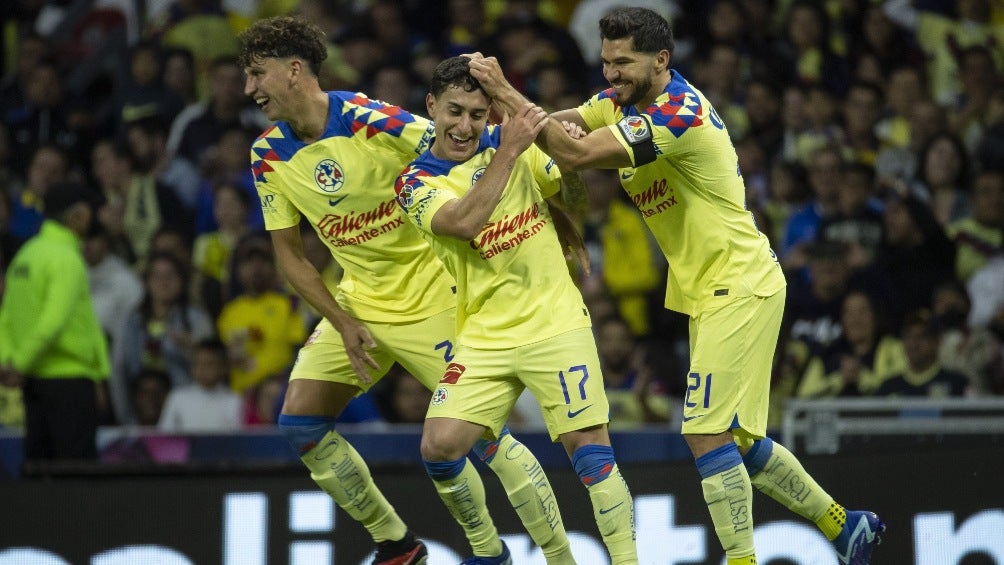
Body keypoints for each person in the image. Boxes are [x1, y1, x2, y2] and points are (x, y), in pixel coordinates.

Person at [468, 7, 885, 564]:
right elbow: (560, 122)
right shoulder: (621, 100)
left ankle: (742, 559)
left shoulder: (677, 114)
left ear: (661, 60)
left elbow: (575, 151)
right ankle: (844, 526)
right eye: (606, 62)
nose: (612, 73)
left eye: (624, 62)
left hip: (737, 284)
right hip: (716, 287)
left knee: (704, 434)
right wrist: (496, 125)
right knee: (738, 439)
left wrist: (506, 90)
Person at [238, 17, 573, 565]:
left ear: (293, 70)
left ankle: (512, 556)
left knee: (483, 440)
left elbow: (467, 142)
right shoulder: (267, 154)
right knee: (299, 422)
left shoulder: (365, 117)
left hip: (432, 295)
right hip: (359, 303)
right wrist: (343, 323)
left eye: (256, 73)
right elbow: (289, 257)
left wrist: (553, 182)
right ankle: (397, 545)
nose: (249, 88)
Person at [395, 56, 637, 565]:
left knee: (589, 450)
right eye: (454, 112)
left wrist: (566, 168)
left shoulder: (511, 145)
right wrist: (509, 147)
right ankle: (520, 556)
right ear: (431, 107)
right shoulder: (415, 182)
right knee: (439, 446)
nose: (464, 126)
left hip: (555, 322)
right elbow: (462, 222)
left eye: (478, 115)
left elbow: (570, 189)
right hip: (484, 334)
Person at [0, 182, 109, 461]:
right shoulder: (67, 259)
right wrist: (20, 363)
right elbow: (54, 320)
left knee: (40, 473)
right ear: (78, 216)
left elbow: (6, 316)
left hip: (33, 382)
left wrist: (10, 361)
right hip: (68, 380)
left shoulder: (25, 255)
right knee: (75, 480)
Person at [159, 338, 242, 431]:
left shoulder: (234, 401)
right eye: (196, 363)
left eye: (209, 364)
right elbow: (164, 435)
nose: (201, 369)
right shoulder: (177, 398)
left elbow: (237, 438)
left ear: (224, 367)